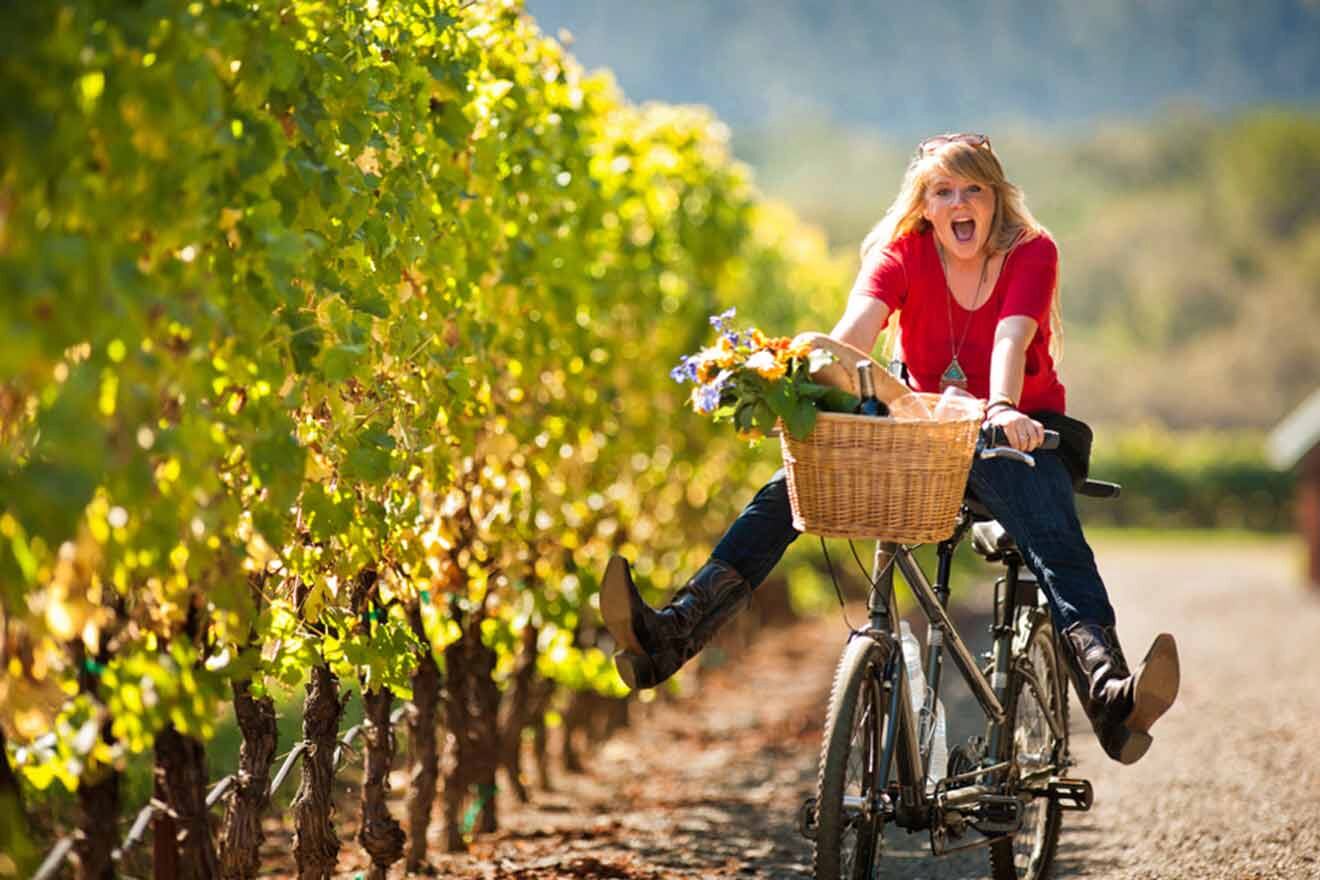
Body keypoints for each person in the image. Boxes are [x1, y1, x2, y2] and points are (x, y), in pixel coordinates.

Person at [600, 133, 1179, 765]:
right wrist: (804, 379)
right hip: (923, 431)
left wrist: (1003, 408)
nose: (959, 202)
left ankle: (1111, 697)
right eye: (943, 191)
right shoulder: (902, 253)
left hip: (1017, 428)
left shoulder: (1031, 252)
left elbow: (1011, 342)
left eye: (973, 190)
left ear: (994, 199)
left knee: (1050, 529)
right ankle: (668, 636)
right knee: (785, 493)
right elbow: (847, 341)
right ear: (925, 205)